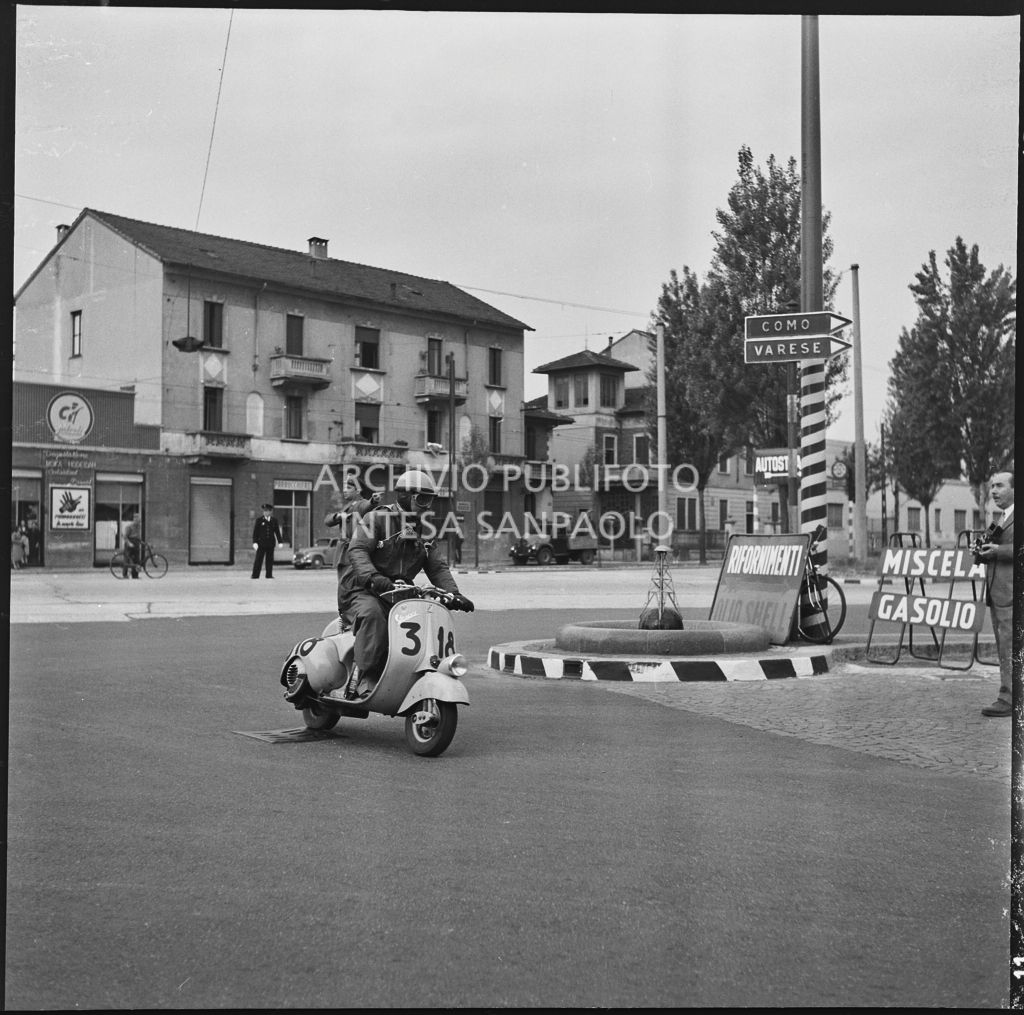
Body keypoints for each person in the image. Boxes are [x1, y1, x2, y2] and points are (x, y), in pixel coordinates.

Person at [337, 469, 474, 697]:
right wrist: (374, 577)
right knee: (373, 616)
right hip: (363, 590)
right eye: (422, 499)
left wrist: (454, 594)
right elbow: (358, 549)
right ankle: (360, 676)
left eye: (429, 500)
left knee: (421, 618)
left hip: (397, 593)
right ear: (406, 496)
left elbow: (436, 566)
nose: (425, 505)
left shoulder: (424, 531)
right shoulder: (377, 518)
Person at [976, 470, 1014, 718]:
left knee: (1009, 645)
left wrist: (998, 551)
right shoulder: (1002, 517)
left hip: (1011, 593)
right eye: (991, 486)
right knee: (1004, 644)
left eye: (999, 485)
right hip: (998, 592)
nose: (993, 491)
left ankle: (1008, 698)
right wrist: (980, 550)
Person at [325, 477, 381, 611]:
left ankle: (349, 613)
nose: (345, 491)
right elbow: (328, 521)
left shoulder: (360, 504)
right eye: (344, 487)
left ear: (358, 490)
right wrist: (338, 516)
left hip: (352, 552)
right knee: (344, 585)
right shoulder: (348, 506)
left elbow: (367, 505)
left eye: (349, 488)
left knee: (348, 587)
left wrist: (373, 501)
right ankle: (346, 613)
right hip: (343, 553)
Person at [251, 503, 282, 579]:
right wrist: (255, 542)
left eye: (267, 511)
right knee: (258, 560)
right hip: (261, 544)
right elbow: (255, 532)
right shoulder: (259, 520)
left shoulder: (274, 520)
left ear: (270, 511)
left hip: (270, 544)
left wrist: (280, 541)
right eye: (264, 511)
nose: (265, 512)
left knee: (269, 560)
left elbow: (277, 532)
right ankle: (255, 575)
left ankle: (269, 575)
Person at [122, 513, 142, 579]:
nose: (139, 522)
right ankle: (125, 575)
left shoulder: (139, 526)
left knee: (137, 560)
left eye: (139, 520)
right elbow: (125, 536)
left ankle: (135, 575)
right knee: (127, 560)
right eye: (137, 520)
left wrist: (141, 542)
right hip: (129, 544)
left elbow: (138, 536)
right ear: (134, 519)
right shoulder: (129, 526)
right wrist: (129, 543)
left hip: (136, 544)